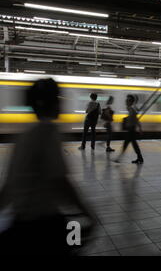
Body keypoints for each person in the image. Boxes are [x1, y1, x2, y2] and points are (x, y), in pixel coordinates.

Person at [0, 78, 95, 255]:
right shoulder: (48, 131)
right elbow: (60, 182)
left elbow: (8, 187)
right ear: (50, 102)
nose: (61, 102)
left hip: (19, 222)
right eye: (58, 98)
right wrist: (88, 214)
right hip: (43, 225)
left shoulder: (24, 135)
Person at [114, 95, 144, 164]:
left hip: (131, 130)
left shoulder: (131, 109)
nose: (126, 102)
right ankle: (140, 158)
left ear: (130, 102)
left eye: (127, 100)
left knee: (126, 144)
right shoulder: (131, 109)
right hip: (131, 129)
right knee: (134, 145)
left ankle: (119, 158)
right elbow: (135, 119)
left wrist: (140, 128)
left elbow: (136, 120)